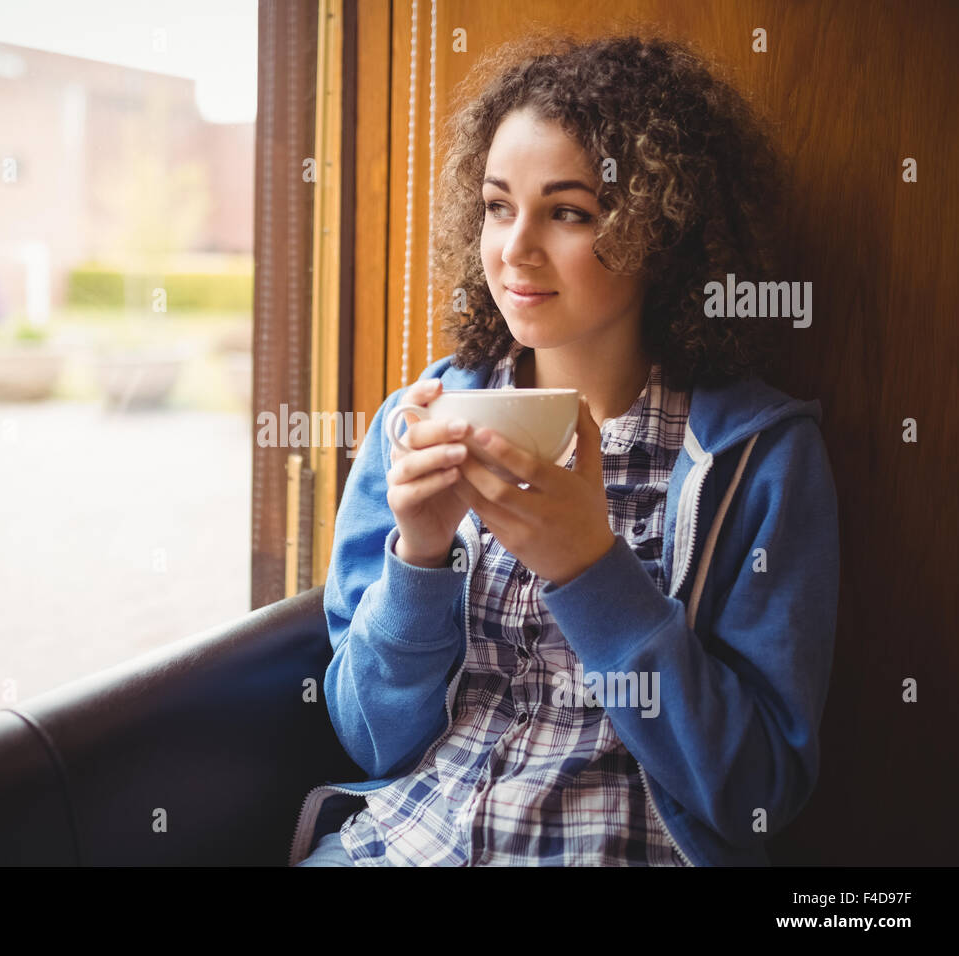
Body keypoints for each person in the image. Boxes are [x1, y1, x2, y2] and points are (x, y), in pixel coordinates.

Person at [292, 32, 839, 866]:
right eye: (498, 205)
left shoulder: (758, 460)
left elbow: (754, 792)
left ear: (663, 228)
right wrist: (420, 559)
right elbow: (371, 743)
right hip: (403, 845)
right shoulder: (418, 419)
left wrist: (592, 571)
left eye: (569, 212)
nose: (515, 248)